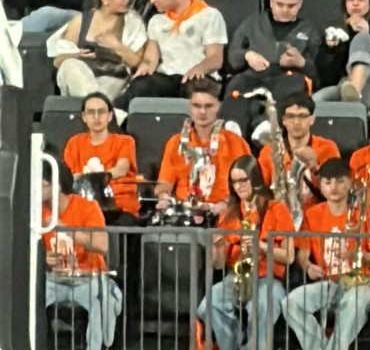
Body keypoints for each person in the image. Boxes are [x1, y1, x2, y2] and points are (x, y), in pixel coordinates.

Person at [197, 155, 293, 350]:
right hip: (236, 277)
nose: (238, 186)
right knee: (208, 305)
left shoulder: (276, 209)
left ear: (255, 179)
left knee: (262, 306)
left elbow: (289, 256)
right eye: (234, 182)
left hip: (268, 278)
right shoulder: (230, 213)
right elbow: (219, 264)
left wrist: (262, 246)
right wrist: (216, 246)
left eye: (243, 180)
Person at [285, 157, 370, 350]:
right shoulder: (312, 215)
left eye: (340, 181)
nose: (334, 187)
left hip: (360, 284)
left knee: (356, 303)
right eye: (328, 182)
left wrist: (356, 255)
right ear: (321, 186)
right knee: (290, 303)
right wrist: (308, 266)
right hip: (329, 283)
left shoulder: (364, 214)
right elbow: (303, 254)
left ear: (350, 183)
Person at [40, 157, 122, 350]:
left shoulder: (87, 208)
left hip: (88, 277)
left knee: (102, 298)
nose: (35, 190)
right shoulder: (36, 212)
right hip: (54, 279)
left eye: (41, 185)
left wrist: (65, 229)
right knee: (27, 293)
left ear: (57, 185)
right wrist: (44, 258)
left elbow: (102, 245)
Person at [123, 0, 228, 102]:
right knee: (140, 86)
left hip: (199, 77)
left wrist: (199, 68)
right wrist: (144, 68)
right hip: (168, 78)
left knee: (194, 87)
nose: (152, 0)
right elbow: (150, 59)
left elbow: (215, 58)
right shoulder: (156, 21)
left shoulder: (209, 15)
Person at [226, 0, 320, 119]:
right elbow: (233, 56)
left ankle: (266, 124)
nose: (285, 10)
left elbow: (320, 73)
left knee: (293, 88)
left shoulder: (309, 30)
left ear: (300, 4)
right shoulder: (253, 23)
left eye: (291, 6)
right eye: (280, 4)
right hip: (253, 76)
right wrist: (247, 55)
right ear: (271, 1)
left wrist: (301, 63)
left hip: (289, 79)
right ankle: (233, 126)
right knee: (236, 85)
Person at [155, 81, 250, 210]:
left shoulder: (235, 143)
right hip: (186, 211)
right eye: (196, 106)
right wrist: (163, 197)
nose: (202, 111)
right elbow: (165, 182)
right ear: (189, 106)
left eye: (208, 106)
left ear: (218, 106)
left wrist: (226, 205)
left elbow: (247, 186)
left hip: (225, 212)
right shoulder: (175, 142)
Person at [49, 0, 146, 102]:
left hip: (114, 82)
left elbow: (137, 63)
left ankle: (95, 105)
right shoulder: (80, 21)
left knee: (99, 92)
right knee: (70, 66)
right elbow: (57, 61)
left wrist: (117, 46)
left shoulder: (132, 22)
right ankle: (98, 105)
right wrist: (76, 54)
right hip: (82, 79)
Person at [61, 90, 140, 220]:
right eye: (91, 112)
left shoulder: (125, 141)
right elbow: (67, 177)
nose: (96, 117)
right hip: (83, 206)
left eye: (101, 112)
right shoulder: (74, 142)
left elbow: (121, 169)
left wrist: (91, 178)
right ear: (84, 117)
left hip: (119, 206)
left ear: (110, 116)